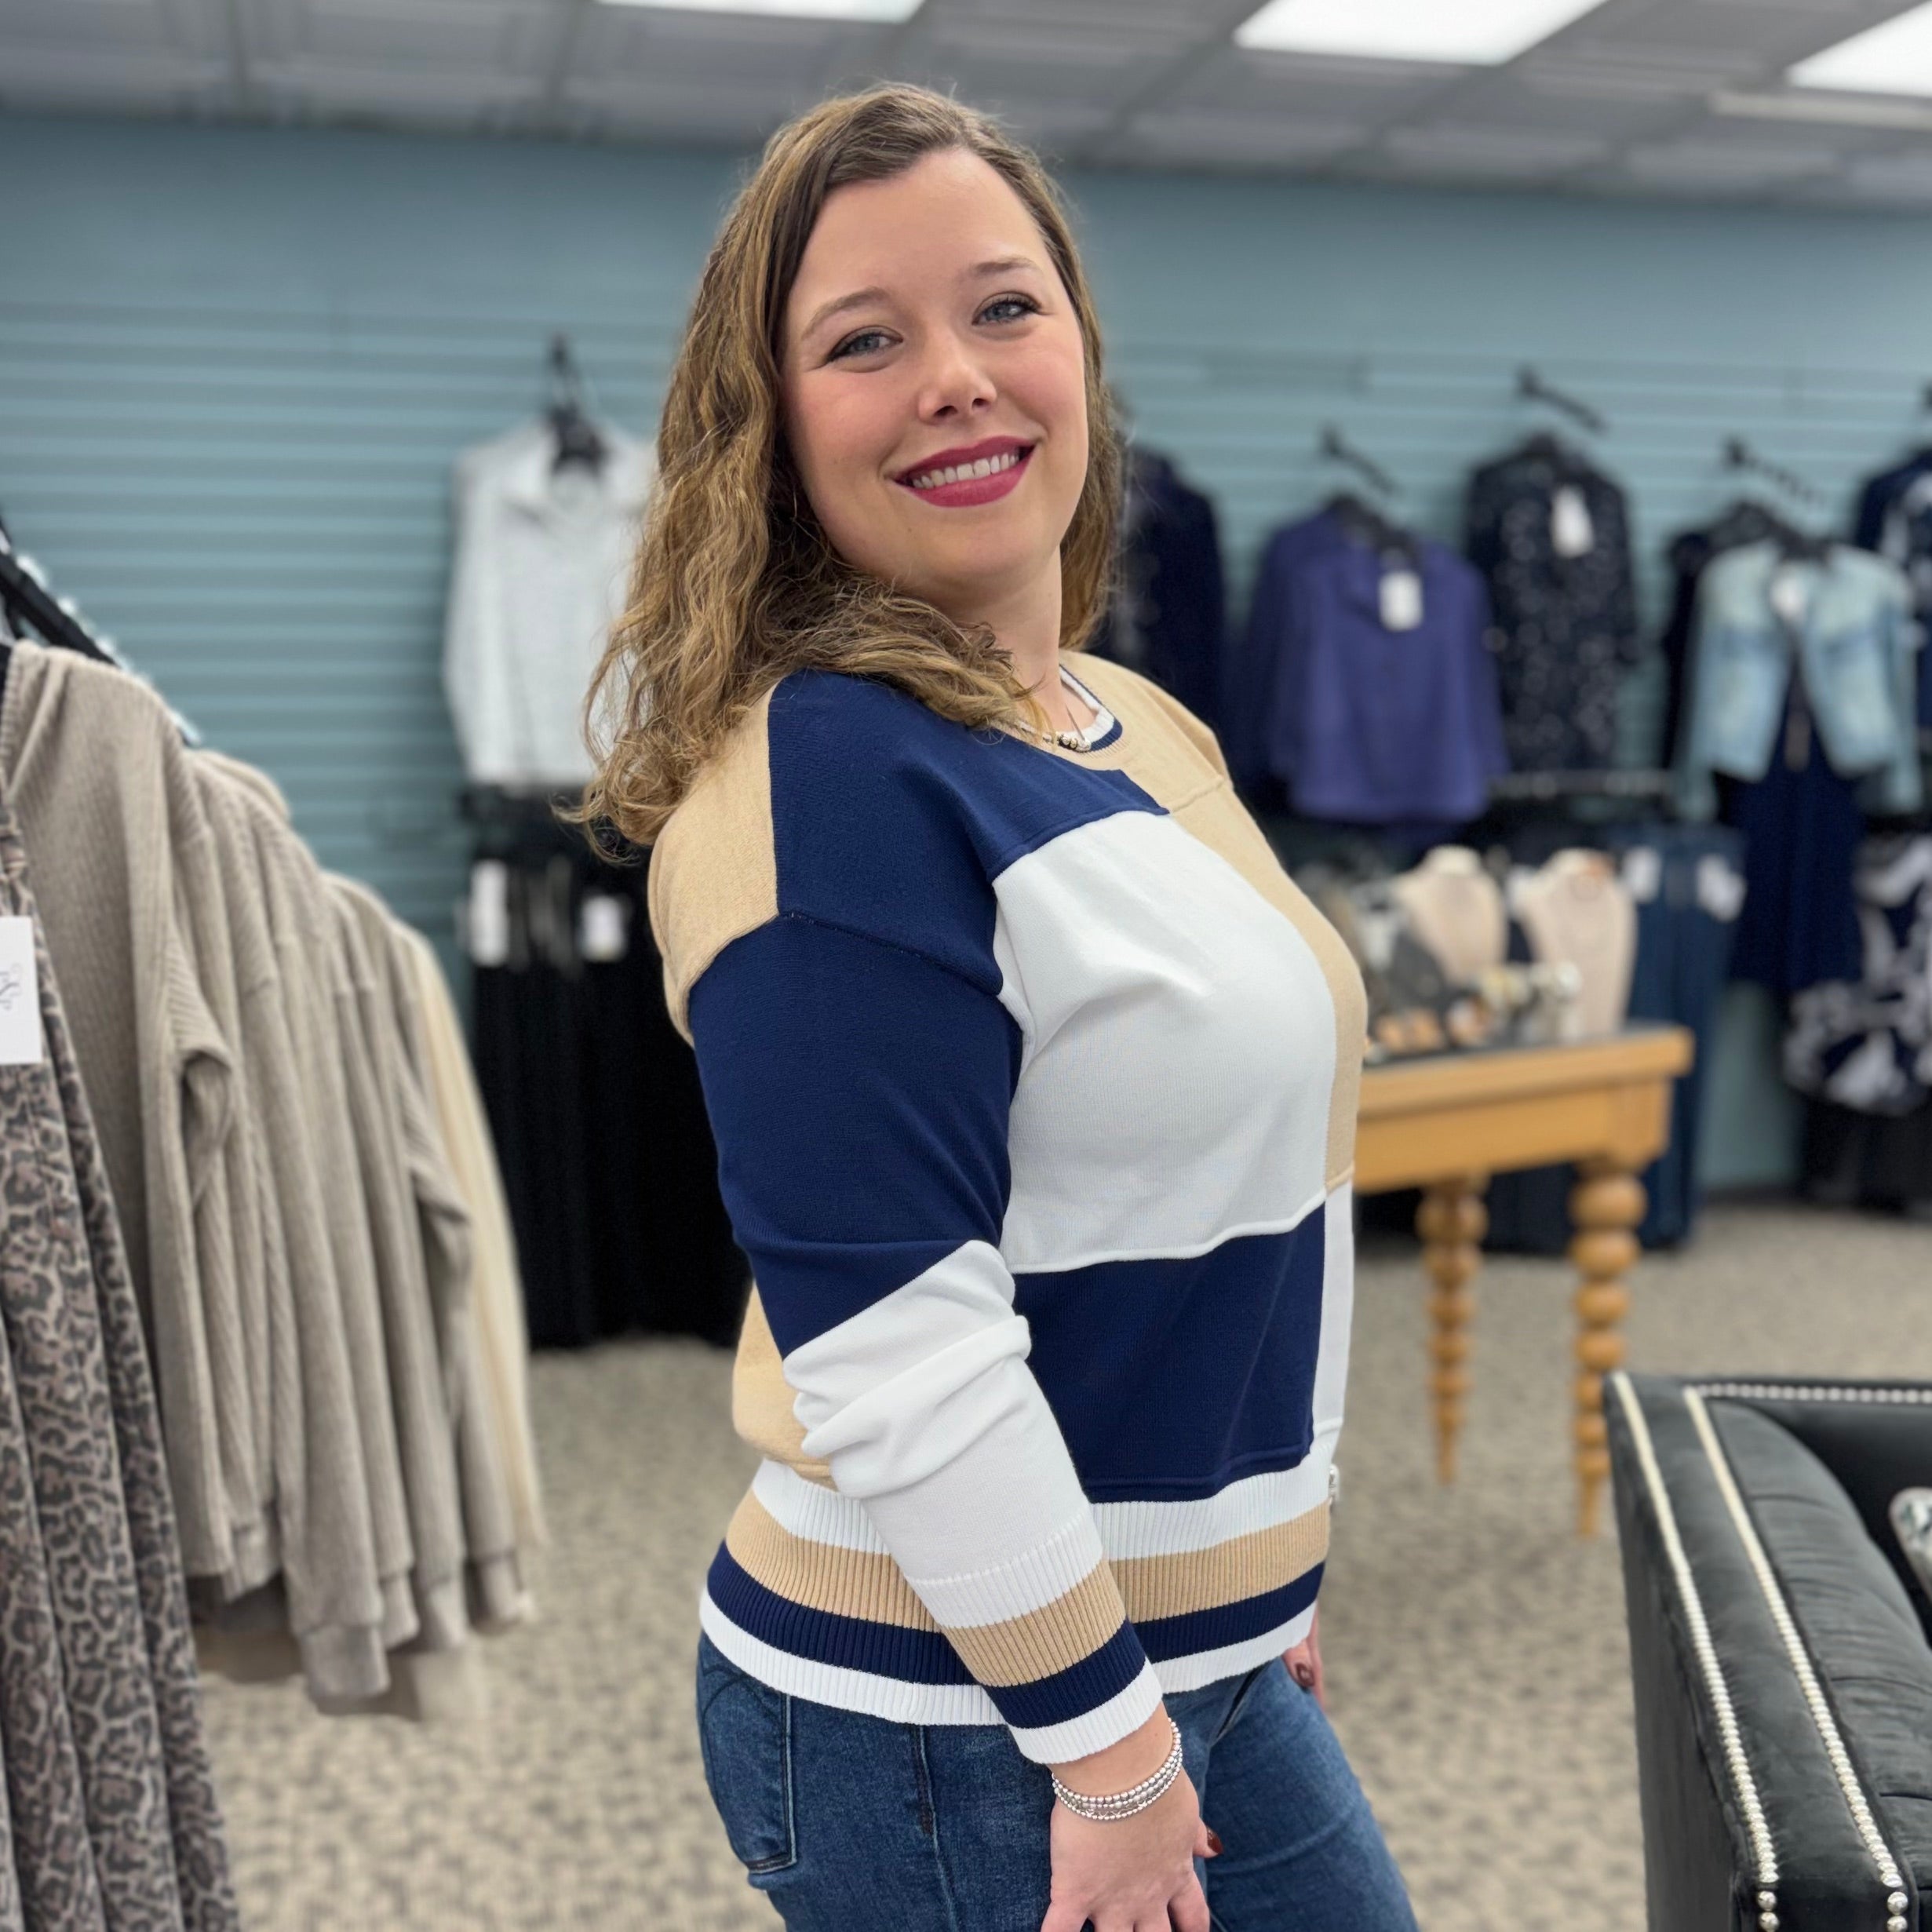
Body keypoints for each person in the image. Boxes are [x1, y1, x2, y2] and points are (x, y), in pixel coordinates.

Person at [581, 82, 1417, 1932]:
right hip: (955, 1713)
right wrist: (1108, 1747)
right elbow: (898, 1350)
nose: (954, 373)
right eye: (864, 341)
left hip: (1179, 1652)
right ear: (773, 429)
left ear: (1079, 350)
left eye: (1002, 306)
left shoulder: (1132, 721)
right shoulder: (829, 782)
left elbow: (1283, 1166)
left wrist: (1273, 1568)